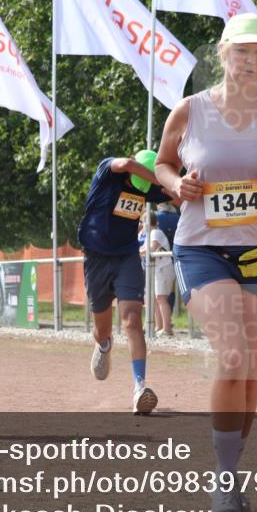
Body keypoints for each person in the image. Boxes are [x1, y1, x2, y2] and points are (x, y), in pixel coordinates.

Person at [155, 13, 257, 512]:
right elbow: (162, 165)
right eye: (241, 51)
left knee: (250, 370)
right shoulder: (190, 111)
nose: (250, 61)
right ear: (222, 55)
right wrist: (178, 188)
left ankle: (233, 474)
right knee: (231, 357)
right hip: (203, 248)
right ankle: (223, 485)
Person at [77, 150, 175, 415]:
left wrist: (176, 181)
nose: (138, 187)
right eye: (136, 180)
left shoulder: (147, 191)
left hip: (127, 257)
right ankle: (104, 344)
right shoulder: (107, 171)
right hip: (97, 259)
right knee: (102, 329)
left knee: (132, 320)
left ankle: (139, 388)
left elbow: (177, 194)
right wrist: (154, 177)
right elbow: (128, 164)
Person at [139, 211, 175, 336]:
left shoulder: (156, 232)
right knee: (155, 298)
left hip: (163, 268)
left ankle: (167, 328)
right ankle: (159, 327)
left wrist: (140, 252)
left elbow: (151, 249)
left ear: (147, 222)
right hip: (157, 269)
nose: (141, 225)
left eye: (142, 222)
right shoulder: (149, 234)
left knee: (161, 298)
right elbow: (143, 250)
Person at [155, 203, 180, 312]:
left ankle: (162, 320)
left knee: (159, 292)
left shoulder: (156, 216)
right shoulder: (177, 217)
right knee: (171, 288)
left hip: (159, 256)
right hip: (175, 253)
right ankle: (169, 316)